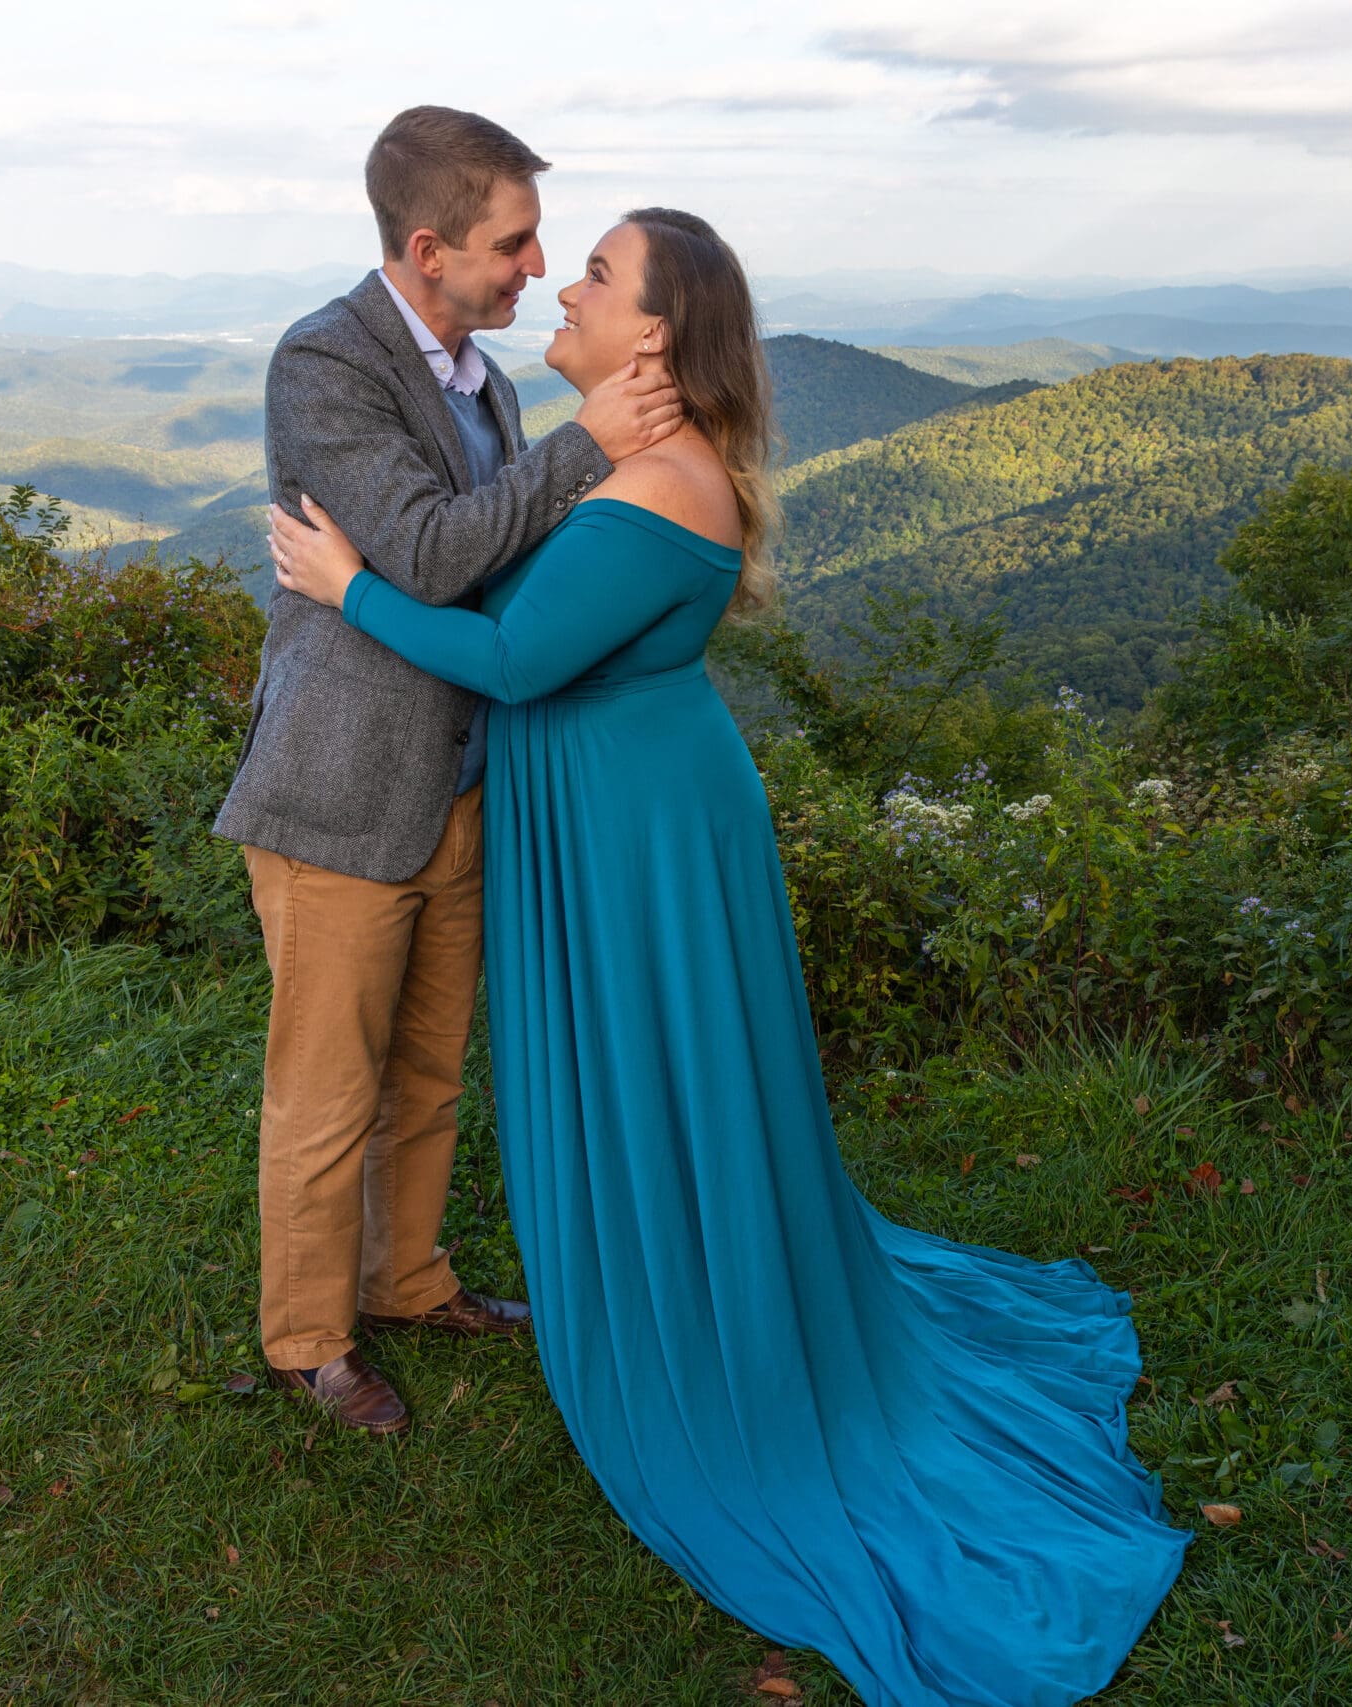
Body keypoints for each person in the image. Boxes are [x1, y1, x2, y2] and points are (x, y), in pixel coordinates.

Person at [267, 207, 1187, 1707]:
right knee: (663, 1077)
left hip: (636, 828)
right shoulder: (627, 461)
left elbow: (507, 657)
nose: (561, 283)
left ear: (657, 339)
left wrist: (345, 588)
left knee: (664, 1071)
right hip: (623, 799)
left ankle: (707, 1330)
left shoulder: (662, 489)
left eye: (598, 273)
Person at [213, 107, 684, 1436]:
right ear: (430, 249)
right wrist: (595, 443)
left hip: (458, 785)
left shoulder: (487, 380)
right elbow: (425, 557)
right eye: (515, 244)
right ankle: (310, 1341)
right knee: (327, 1089)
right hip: (342, 792)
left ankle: (410, 1281)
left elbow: (500, 563)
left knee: (426, 1072)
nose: (536, 269)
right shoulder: (326, 363)